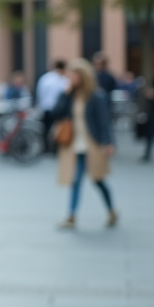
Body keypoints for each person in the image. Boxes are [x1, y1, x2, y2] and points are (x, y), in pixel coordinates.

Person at [50, 59, 117, 229]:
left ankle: (111, 210)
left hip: (92, 144)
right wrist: (65, 94)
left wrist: (108, 142)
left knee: (98, 180)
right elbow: (55, 113)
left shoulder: (96, 95)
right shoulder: (69, 95)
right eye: (70, 75)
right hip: (74, 145)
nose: (71, 78)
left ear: (83, 76)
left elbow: (104, 122)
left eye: (74, 75)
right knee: (75, 180)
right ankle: (71, 216)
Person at [35, 60, 69, 154]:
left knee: (45, 129)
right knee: (58, 128)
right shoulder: (63, 80)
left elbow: (39, 93)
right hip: (58, 109)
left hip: (45, 107)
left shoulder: (45, 78)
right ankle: (55, 149)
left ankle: (45, 148)